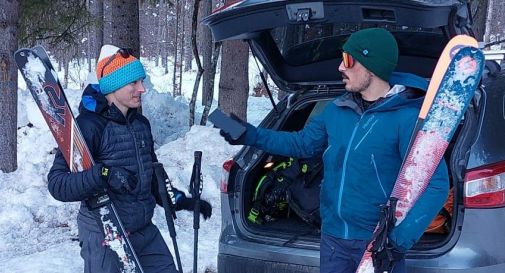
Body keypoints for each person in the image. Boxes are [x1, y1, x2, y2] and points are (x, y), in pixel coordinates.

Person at [219, 28, 449, 273]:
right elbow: (302, 144)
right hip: (333, 237)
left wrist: (397, 243)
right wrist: (251, 135)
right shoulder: (337, 109)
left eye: (348, 60)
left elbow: (436, 185)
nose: (340, 67)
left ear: (371, 65)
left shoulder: (407, 118)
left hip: (376, 244)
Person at [47, 45, 212, 273]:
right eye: (133, 83)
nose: (142, 89)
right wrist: (104, 174)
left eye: (141, 81)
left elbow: (152, 178)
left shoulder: (140, 124)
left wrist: (181, 201)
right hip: (105, 232)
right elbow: (57, 184)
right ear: (113, 85)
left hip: (143, 229)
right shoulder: (89, 126)